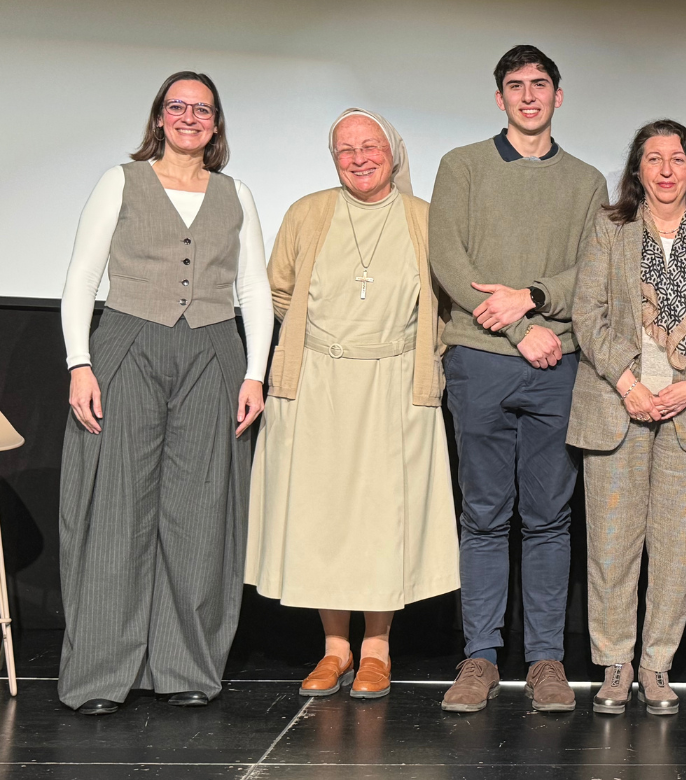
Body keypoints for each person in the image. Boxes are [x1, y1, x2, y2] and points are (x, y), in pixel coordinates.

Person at [57, 71, 271, 714]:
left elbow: (254, 289)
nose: (188, 116)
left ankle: (186, 668)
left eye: (201, 109)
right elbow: (81, 277)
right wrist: (79, 363)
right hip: (128, 344)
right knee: (117, 510)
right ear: (158, 118)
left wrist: (254, 371)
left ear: (216, 123)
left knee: (200, 513)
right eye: (177, 106)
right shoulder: (120, 181)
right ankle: (99, 676)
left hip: (212, 351)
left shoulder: (237, 194)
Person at [245, 108, 459, 700]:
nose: (359, 158)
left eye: (371, 146)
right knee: (324, 516)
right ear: (332, 158)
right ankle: (334, 648)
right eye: (346, 150)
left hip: (392, 384)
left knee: (381, 519)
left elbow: (444, 305)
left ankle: (377, 650)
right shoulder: (307, 213)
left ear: (393, 151)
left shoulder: (424, 219)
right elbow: (277, 290)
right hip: (315, 384)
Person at [429, 45, 608, 714]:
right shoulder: (462, 166)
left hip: (557, 365)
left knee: (548, 519)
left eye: (540, 85)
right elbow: (448, 258)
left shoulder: (587, 182)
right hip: (478, 359)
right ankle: (478, 657)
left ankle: (545, 662)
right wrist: (512, 328)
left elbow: (592, 272)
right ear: (498, 97)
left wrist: (532, 299)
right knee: (482, 515)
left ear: (558, 96)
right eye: (515, 86)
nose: (528, 95)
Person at [568, 119, 686, 716]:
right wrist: (627, 381)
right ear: (637, 170)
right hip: (618, 405)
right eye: (654, 158)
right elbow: (587, 313)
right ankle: (615, 662)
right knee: (613, 545)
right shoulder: (610, 228)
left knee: (676, 548)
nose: (667, 169)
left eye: (677, 158)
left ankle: (657, 665)